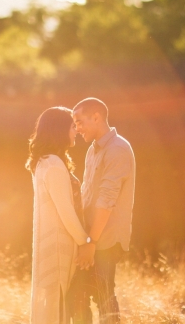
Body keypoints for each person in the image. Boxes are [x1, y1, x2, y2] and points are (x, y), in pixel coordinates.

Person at [69, 98, 136, 324]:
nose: (77, 129)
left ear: (96, 117)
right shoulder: (93, 150)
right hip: (91, 238)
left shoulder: (118, 149)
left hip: (104, 240)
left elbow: (106, 201)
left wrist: (91, 242)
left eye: (79, 122)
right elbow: (89, 195)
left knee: (104, 297)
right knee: (78, 296)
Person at [27, 107, 92, 324]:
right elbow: (66, 212)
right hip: (59, 248)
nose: (76, 131)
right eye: (72, 126)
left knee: (56, 309)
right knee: (58, 310)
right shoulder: (53, 165)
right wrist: (86, 242)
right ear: (59, 129)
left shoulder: (45, 162)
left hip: (52, 246)